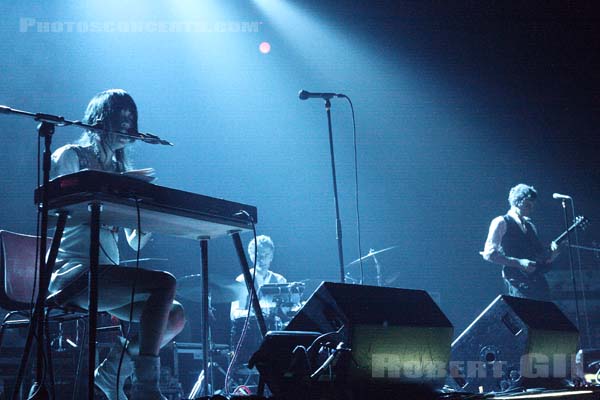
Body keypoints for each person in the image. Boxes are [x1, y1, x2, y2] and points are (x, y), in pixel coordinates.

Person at [49, 89, 186, 400]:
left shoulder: (121, 172)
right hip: (74, 272)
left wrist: (150, 216)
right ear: (100, 120)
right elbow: (56, 208)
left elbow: (134, 244)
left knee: (174, 314)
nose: (127, 125)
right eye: (120, 117)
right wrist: (112, 193)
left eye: (131, 118)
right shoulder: (71, 155)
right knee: (165, 285)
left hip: (106, 278)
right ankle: (145, 387)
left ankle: (114, 371)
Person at [481, 183, 560, 301]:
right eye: (528, 204)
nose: (531, 208)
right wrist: (519, 262)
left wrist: (552, 256)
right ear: (517, 201)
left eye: (533, 204)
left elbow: (539, 258)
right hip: (517, 282)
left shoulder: (530, 226)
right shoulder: (501, 222)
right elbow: (489, 254)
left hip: (538, 282)